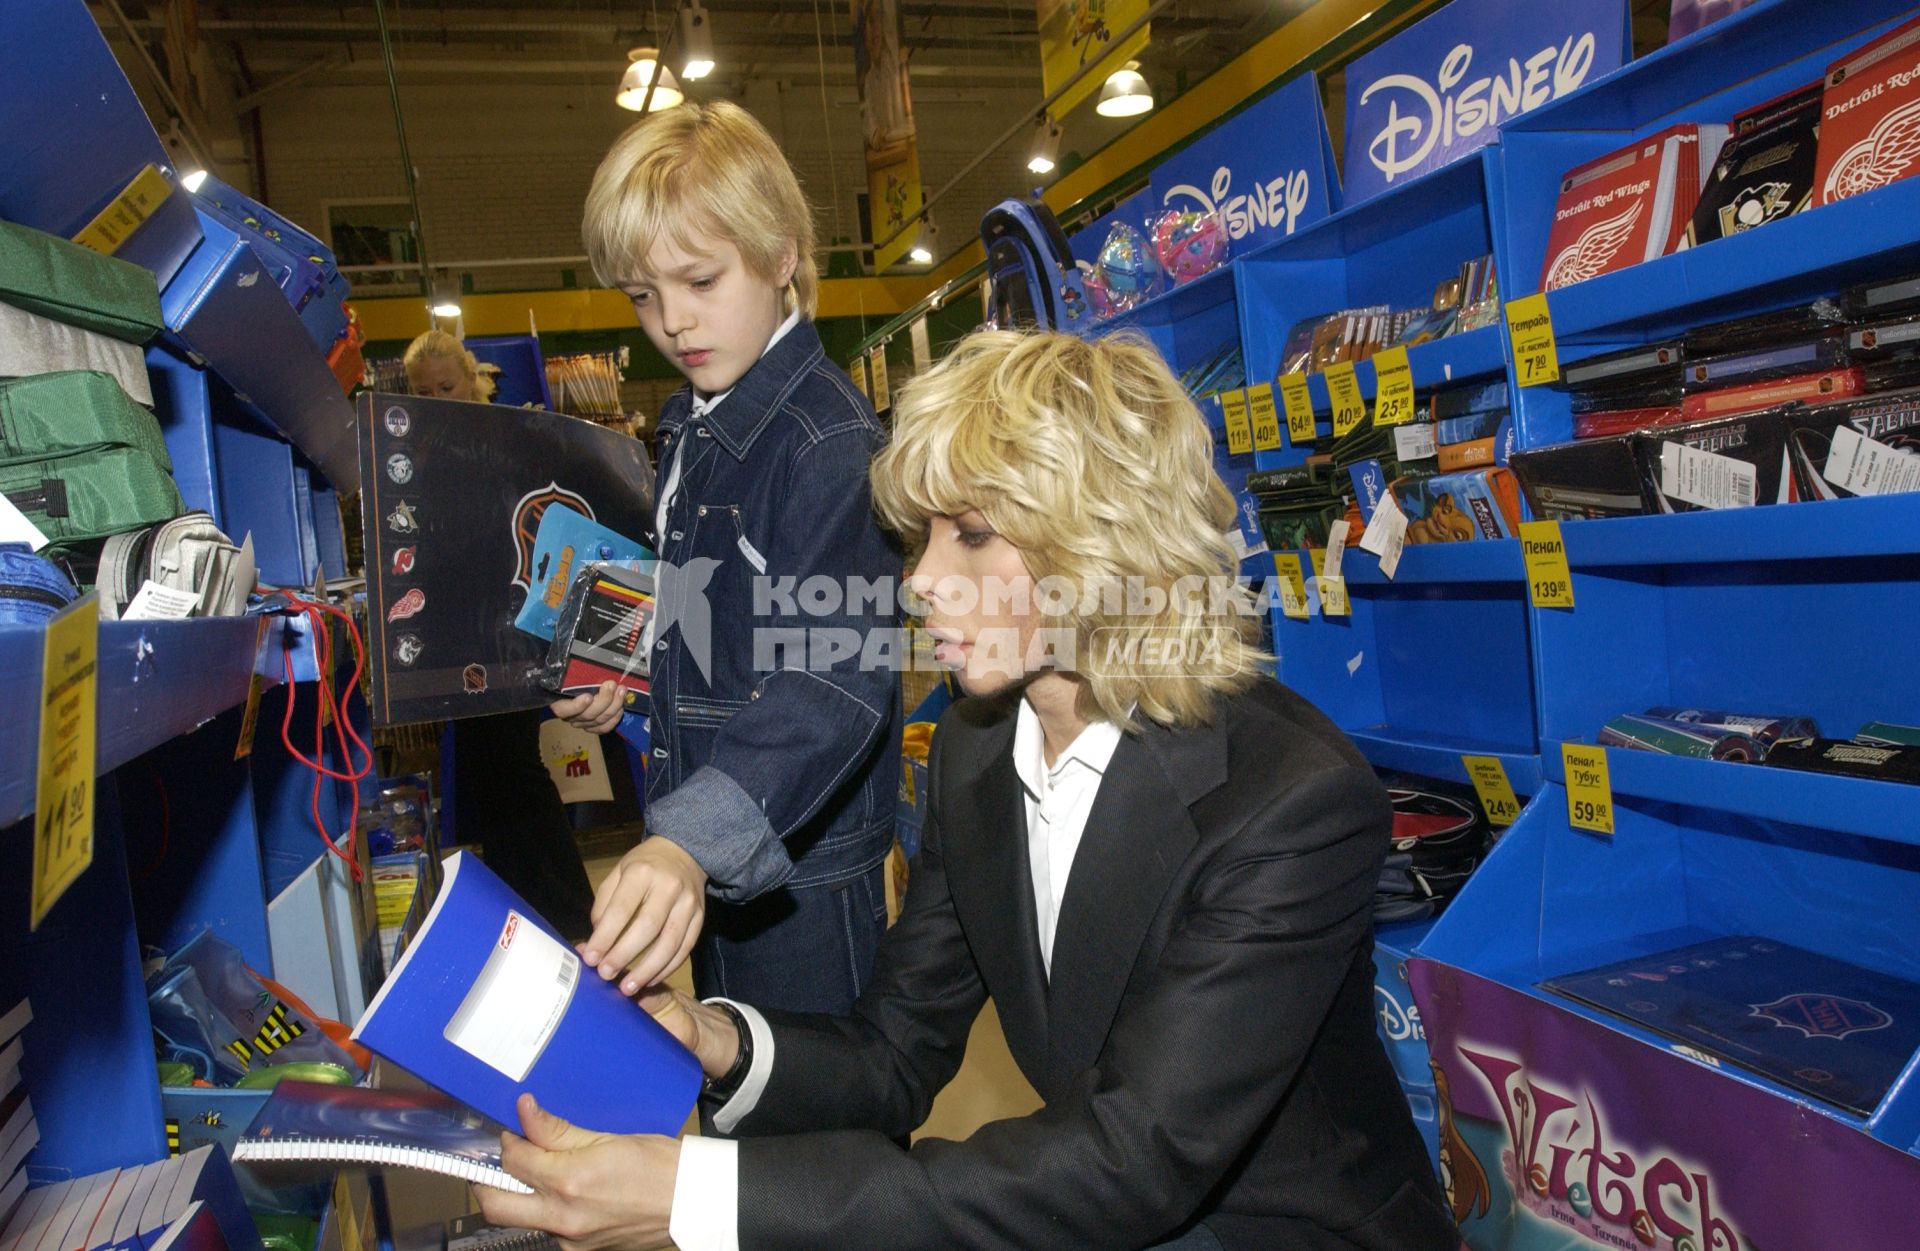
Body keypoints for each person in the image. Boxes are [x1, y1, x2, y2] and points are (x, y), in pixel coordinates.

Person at [477, 330, 1459, 1250]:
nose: (919, 581)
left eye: (974, 535)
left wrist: (694, 1198)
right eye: (921, 536)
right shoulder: (976, 750)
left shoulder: (1289, 800)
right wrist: (715, 1039)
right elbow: (894, 1054)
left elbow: (1136, 1158)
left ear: (1108, 542)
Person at [551, 101, 899, 1016]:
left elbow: (833, 680)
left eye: (700, 280)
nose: (672, 322)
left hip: (802, 886)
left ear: (782, 254)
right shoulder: (692, 425)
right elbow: (706, 620)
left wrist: (687, 842)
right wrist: (626, 675)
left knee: (814, 1143)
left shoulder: (828, 443)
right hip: (711, 855)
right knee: (736, 1114)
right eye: (642, 296)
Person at [402, 329, 597, 942]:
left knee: (515, 771)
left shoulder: (506, 439)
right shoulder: (425, 450)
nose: (438, 397)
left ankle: (568, 915)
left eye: (447, 385)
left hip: (507, 630)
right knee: (495, 774)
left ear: (472, 379)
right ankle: (534, 912)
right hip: (463, 629)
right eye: (423, 391)